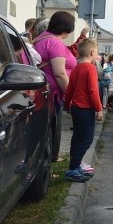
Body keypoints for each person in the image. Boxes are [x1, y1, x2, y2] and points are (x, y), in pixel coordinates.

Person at [34, 11, 78, 159]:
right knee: (50, 133)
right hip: (52, 94)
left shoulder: (40, 39)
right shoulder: (55, 43)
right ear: (66, 28)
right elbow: (59, 74)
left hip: (42, 92)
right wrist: (71, 95)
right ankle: (48, 163)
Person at [63, 38, 104, 182]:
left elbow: (69, 90)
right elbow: (93, 91)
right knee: (86, 139)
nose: (97, 55)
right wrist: (99, 109)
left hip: (75, 108)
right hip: (86, 109)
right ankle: (73, 168)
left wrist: (66, 104)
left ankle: (74, 164)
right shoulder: (90, 69)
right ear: (92, 52)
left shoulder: (76, 68)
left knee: (77, 137)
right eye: (97, 53)